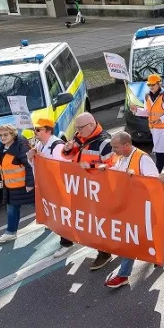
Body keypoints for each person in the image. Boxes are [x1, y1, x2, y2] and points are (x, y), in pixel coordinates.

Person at [104, 132, 164, 289]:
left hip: (143, 207)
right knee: (141, 235)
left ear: (126, 145)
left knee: (131, 239)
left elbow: (154, 183)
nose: (113, 150)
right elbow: (118, 172)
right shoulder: (121, 156)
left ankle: (123, 275)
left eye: (115, 147)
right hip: (130, 206)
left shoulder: (143, 159)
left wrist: (133, 178)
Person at [60, 112, 114, 269]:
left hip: (100, 191)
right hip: (86, 189)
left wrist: (91, 167)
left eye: (80, 128)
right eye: (76, 128)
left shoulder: (105, 143)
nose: (77, 131)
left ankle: (105, 253)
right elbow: (68, 156)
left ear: (91, 125)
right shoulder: (80, 136)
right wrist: (67, 149)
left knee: (101, 224)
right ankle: (105, 250)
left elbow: (112, 168)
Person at [0, 124, 35, 243]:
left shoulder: (21, 147)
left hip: (25, 186)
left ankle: (53, 225)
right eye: (0, 135)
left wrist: (30, 184)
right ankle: (10, 233)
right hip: (11, 187)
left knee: (39, 207)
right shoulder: (3, 147)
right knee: (11, 208)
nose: (2, 137)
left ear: (13, 134)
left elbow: (29, 165)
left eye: (5, 134)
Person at [130, 74, 164, 171]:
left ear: (159, 84)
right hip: (155, 130)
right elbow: (147, 112)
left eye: (153, 84)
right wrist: (136, 110)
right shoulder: (147, 96)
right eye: (149, 85)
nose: (151, 87)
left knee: (160, 154)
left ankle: (156, 176)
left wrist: (161, 119)